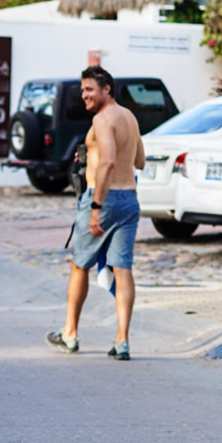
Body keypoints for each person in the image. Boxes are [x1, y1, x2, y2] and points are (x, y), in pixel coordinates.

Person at [48, 66, 145, 360]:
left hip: (103, 199)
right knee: (123, 268)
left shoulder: (103, 119)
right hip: (129, 198)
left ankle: (70, 333)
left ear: (107, 89)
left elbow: (107, 163)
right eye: (82, 90)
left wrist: (96, 207)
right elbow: (139, 160)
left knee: (80, 265)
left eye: (89, 89)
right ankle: (122, 341)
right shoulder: (129, 116)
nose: (84, 95)